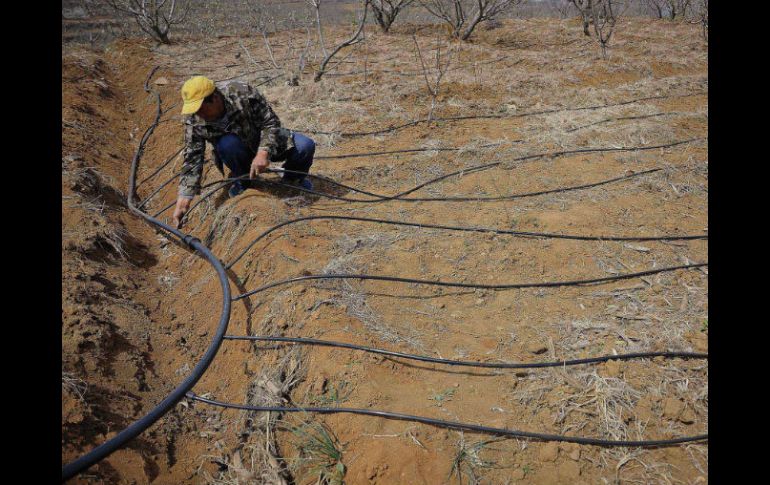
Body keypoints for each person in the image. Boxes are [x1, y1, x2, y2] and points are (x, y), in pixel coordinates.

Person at [172, 76, 316, 228]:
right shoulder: (193, 119)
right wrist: (184, 198)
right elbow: (193, 158)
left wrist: (263, 152)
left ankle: (292, 181)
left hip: (262, 139)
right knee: (228, 144)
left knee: (305, 146)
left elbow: (271, 123)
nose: (198, 114)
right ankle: (244, 182)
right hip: (235, 151)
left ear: (214, 98)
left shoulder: (242, 93)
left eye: (200, 108)